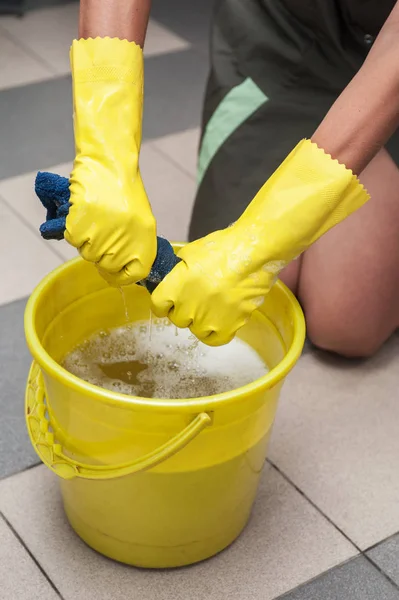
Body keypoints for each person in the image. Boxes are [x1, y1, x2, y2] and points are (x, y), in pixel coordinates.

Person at [67, 0, 399, 358]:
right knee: (223, 301)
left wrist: (260, 242)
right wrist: (107, 154)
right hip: (285, 46)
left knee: (346, 323)